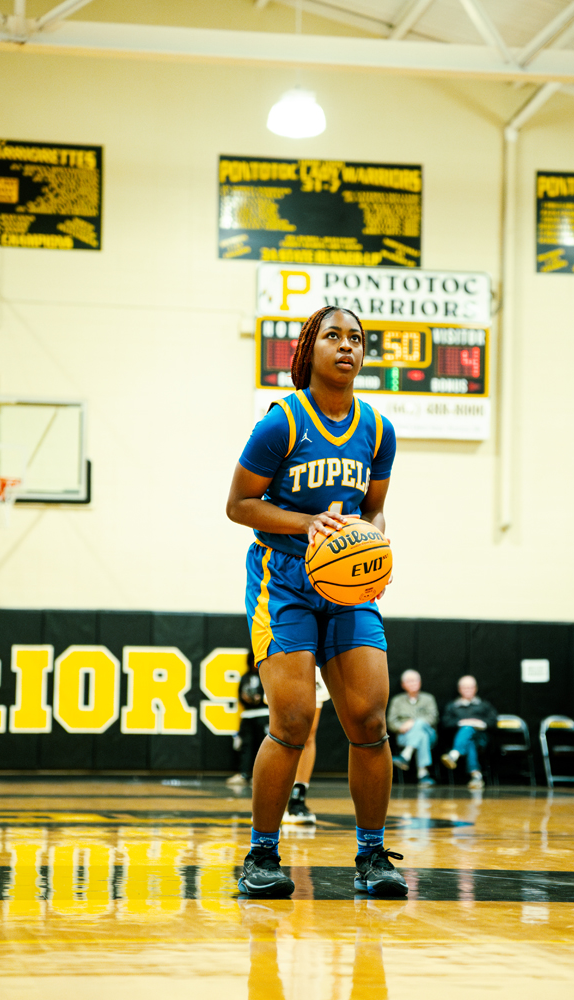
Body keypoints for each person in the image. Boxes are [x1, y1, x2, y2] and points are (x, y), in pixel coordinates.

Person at [226, 305, 407, 899]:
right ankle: (261, 854)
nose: (347, 346)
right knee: (294, 719)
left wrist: (374, 544)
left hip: (348, 587)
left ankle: (373, 854)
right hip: (283, 582)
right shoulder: (282, 423)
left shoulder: (378, 431)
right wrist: (309, 525)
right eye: (334, 336)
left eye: (356, 338)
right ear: (311, 348)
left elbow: (374, 508)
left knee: (369, 720)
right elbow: (240, 506)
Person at [282, 665, 331, 824]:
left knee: (309, 734)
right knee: (281, 733)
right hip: (283, 657)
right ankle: (271, 800)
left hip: (313, 661)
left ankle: (297, 798)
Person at [440, 675, 497, 789]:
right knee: (469, 738)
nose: (468, 690)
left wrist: (478, 723)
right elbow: (445, 723)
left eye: (470, 687)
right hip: (459, 739)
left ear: (475, 688)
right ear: (459, 689)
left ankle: (454, 754)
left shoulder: (484, 705)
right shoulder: (452, 706)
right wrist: (462, 722)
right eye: (465, 687)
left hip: (482, 739)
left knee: (470, 729)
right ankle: (476, 775)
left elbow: (493, 721)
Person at [387, 670, 439, 786]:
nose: (412, 683)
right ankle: (423, 773)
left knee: (420, 725)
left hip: (430, 734)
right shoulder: (397, 701)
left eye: (415, 680)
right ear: (403, 684)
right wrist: (401, 727)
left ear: (420, 682)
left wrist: (413, 722)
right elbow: (391, 722)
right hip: (404, 736)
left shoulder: (428, 699)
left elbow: (433, 718)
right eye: (409, 681)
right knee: (421, 735)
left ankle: (406, 755)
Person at [227, 650, 269, 787]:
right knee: (246, 746)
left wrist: (259, 698)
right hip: (248, 715)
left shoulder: (266, 675)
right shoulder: (245, 677)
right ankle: (244, 773)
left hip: (263, 714)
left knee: (264, 746)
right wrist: (246, 699)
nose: (254, 665)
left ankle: (262, 776)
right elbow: (240, 695)